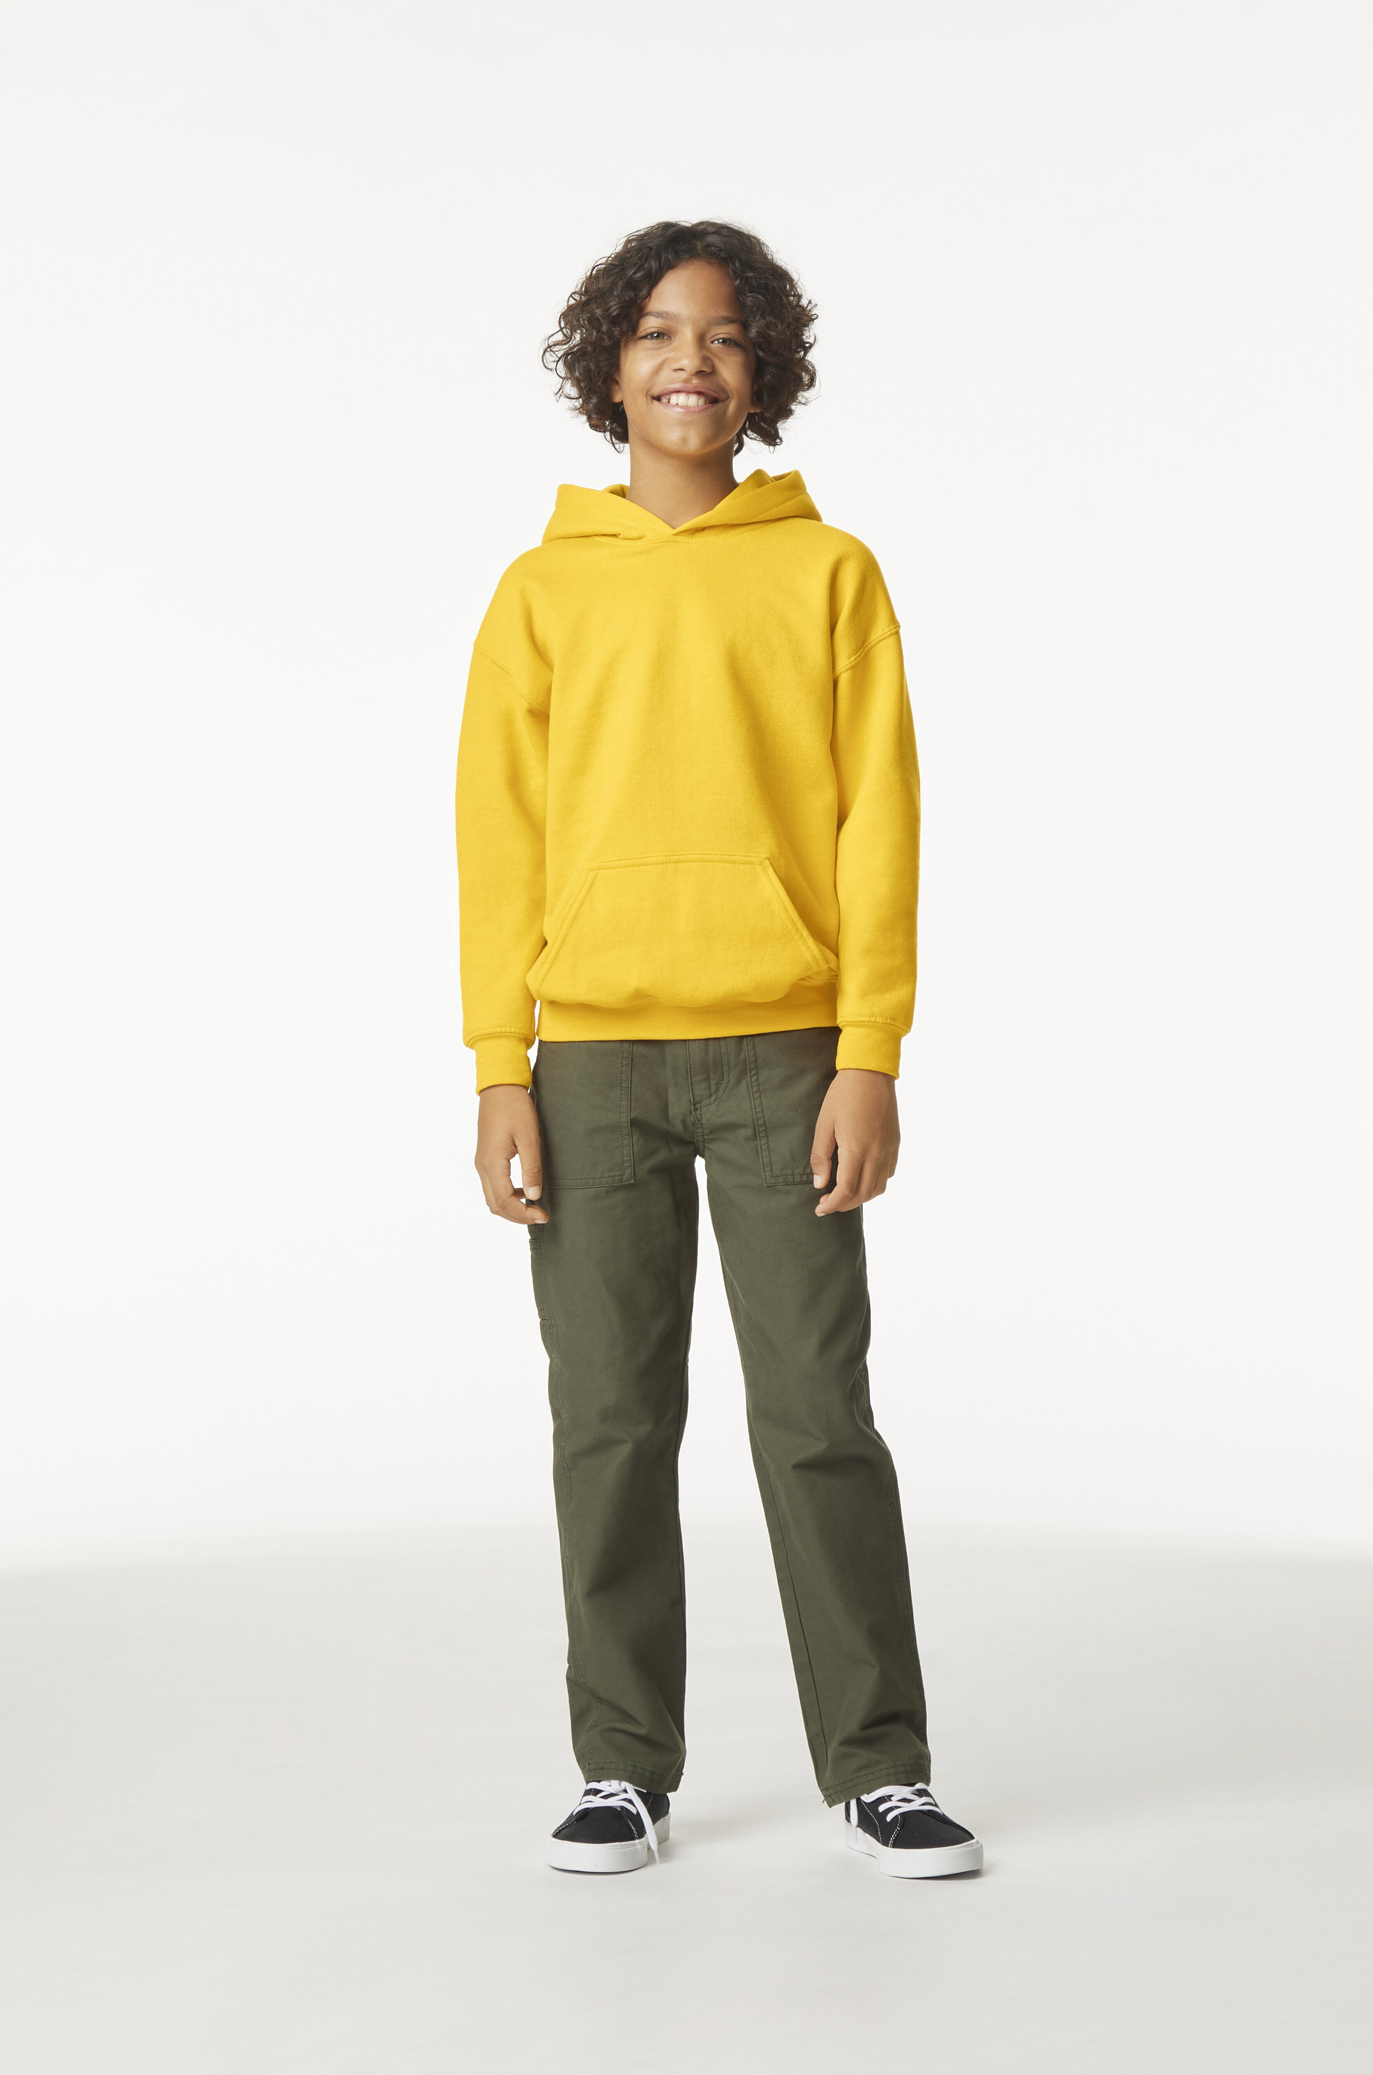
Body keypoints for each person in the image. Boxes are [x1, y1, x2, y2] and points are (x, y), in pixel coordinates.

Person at [455, 220, 982, 1879]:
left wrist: (868, 1049)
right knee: (609, 1421)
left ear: (767, 375)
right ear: (608, 369)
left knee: (818, 1414)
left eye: (729, 337)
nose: (694, 361)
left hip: (784, 1054)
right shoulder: (542, 591)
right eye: (661, 334)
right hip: (592, 1067)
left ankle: (878, 1764)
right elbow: (499, 839)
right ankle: (622, 1765)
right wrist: (499, 1066)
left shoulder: (829, 573)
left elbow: (879, 821)